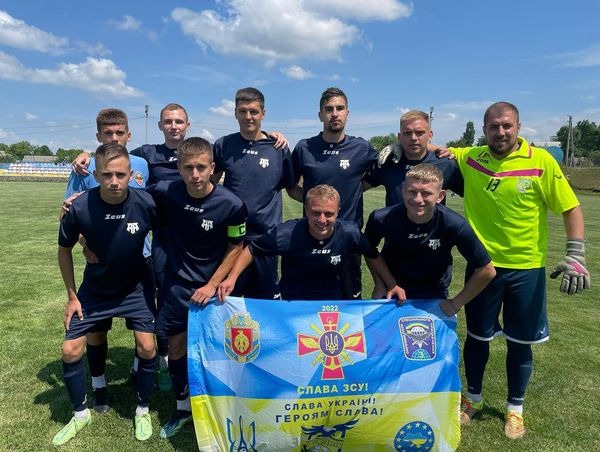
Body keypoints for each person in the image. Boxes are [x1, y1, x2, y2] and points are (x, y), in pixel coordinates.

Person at [449, 102, 590, 439]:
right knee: (477, 337)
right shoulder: (471, 157)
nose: (501, 132)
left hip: (526, 269)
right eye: (494, 126)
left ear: (519, 127)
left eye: (507, 126)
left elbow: (570, 207)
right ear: (484, 130)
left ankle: (515, 409)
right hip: (483, 268)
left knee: (520, 342)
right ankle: (472, 399)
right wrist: (397, 148)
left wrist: (576, 252)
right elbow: (431, 148)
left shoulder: (541, 161)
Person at [54, 144, 158, 445]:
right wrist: (72, 296)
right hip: (96, 290)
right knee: (70, 350)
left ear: (131, 174)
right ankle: (81, 412)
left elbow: (165, 240)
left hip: (135, 288)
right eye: (107, 175)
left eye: (120, 175)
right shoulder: (80, 207)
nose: (114, 181)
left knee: (147, 347)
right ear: (97, 174)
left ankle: (142, 409)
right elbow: (63, 251)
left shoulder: (146, 203)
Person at [146, 137, 247, 439]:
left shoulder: (232, 205)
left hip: (214, 291)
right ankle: (182, 407)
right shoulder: (166, 191)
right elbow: (125, 196)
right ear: (178, 168)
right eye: (188, 168)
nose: (195, 175)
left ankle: (219, 406)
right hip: (176, 286)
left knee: (217, 349)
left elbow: (236, 246)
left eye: (201, 167)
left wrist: (212, 284)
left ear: (212, 167)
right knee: (176, 346)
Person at [62, 108, 151, 414]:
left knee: (145, 335)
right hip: (101, 264)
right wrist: (84, 243)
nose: (114, 137)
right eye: (108, 133)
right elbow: (69, 212)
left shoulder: (142, 164)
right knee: (97, 331)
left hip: (141, 259)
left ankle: (139, 374)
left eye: (119, 132)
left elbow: (151, 205)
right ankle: (99, 386)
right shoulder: (84, 167)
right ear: (98, 136)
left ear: (129, 135)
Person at [219, 184, 403, 302]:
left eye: (329, 214)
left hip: (333, 301)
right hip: (294, 302)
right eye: (316, 213)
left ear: (338, 211)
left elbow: (372, 254)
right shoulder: (286, 233)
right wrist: (232, 278)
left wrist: (390, 283)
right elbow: (252, 250)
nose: (322, 220)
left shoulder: (349, 233)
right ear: (306, 210)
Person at [364, 164, 495, 315]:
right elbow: (369, 250)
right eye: (412, 191)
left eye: (426, 193)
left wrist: (456, 303)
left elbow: (486, 270)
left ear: (440, 196)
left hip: (433, 293)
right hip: (392, 289)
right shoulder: (381, 218)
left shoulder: (453, 224)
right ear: (403, 191)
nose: (418, 199)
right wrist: (383, 283)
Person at [288, 87, 378, 299]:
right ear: (320, 115)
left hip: (348, 240)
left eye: (340, 108)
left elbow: (384, 171)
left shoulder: (361, 147)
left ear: (348, 113)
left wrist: (355, 190)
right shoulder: (304, 148)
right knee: (307, 301)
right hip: (311, 237)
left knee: (349, 303)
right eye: (329, 109)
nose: (335, 113)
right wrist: (315, 207)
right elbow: (291, 188)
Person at [212, 87, 295, 299]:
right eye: (242, 111)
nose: (248, 117)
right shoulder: (223, 145)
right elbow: (209, 183)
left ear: (263, 113)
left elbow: (290, 187)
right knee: (227, 299)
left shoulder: (278, 148)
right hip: (231, 238)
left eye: (254, 111)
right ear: (235, 113)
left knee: (264, 302)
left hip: (265, 238)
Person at [364, 110, 464, 207]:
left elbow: (469, 194)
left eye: (419, 133)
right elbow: (359, 187)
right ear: (399, 137)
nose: (413, 138)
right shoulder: (387, 163)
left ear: (430, 135)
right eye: (408, 133)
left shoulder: (446, 163)